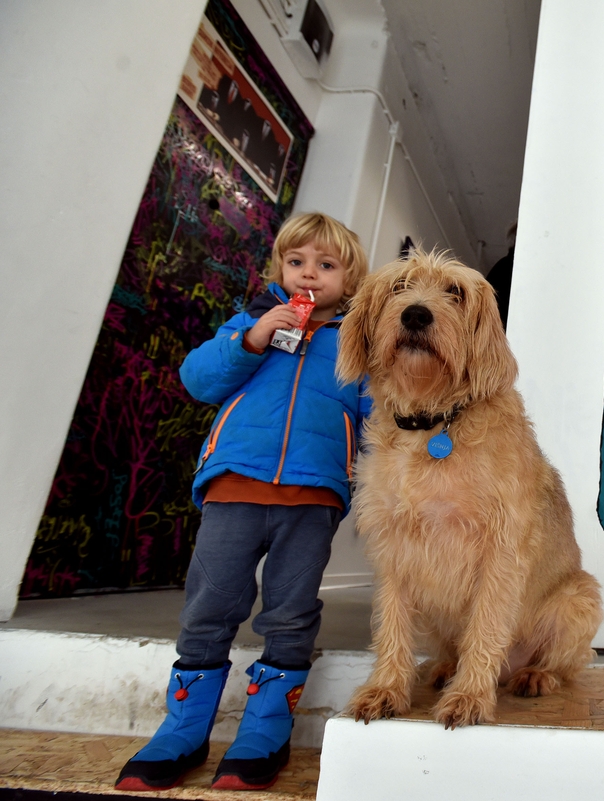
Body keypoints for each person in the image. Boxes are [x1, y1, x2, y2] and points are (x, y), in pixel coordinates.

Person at [116, 212, 371, 791]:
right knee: (210, 605)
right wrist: (251, 340)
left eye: (326, 265)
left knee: (290, 610)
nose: (309, 275)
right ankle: (182, 732)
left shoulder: (358, 344)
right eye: (296, 262)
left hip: (313, 495)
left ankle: (264, 732)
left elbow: (375, 415)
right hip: (234, 485)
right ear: (279, 268)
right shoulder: (249, 322)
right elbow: (198, 380)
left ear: (350, 281)